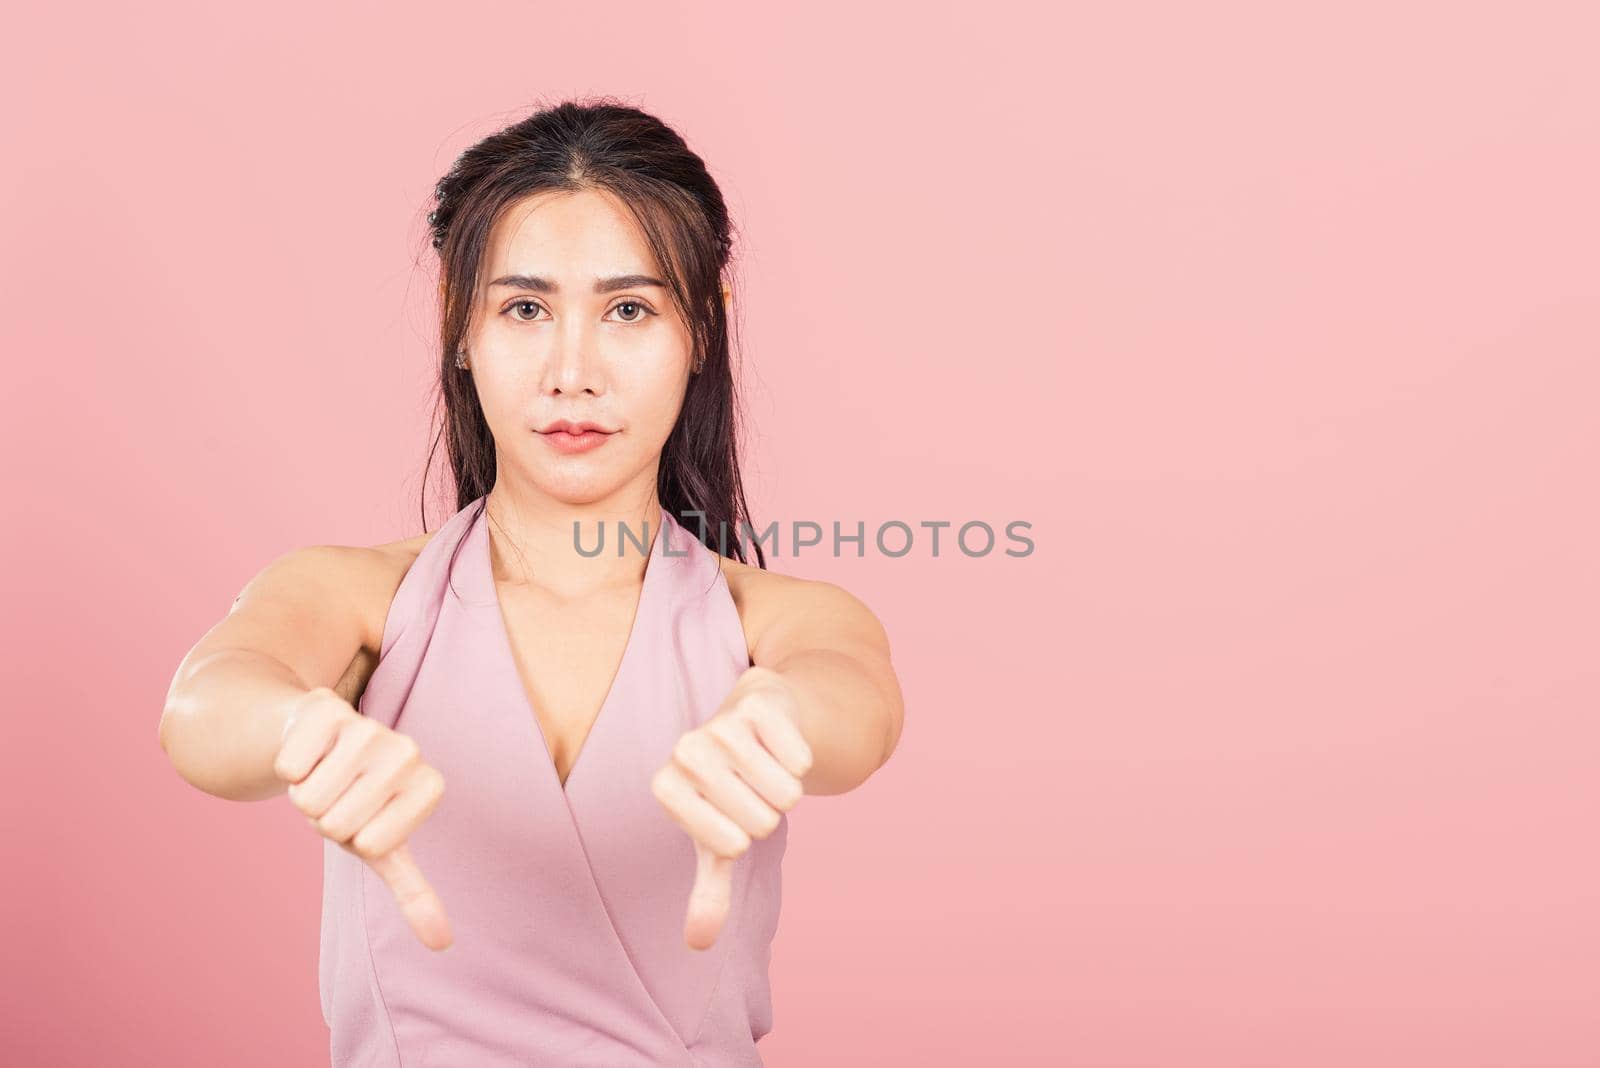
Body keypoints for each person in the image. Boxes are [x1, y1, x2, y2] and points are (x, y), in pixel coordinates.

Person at [156, 97, 905, 1067]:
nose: (572, 370)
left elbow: (856, 709)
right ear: (457, 327)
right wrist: (291, 730)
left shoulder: (778, 620)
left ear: (703, 333)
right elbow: (207, 703)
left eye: (628, 310)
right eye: (524, 308)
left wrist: (787, 721)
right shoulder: (357, 599)